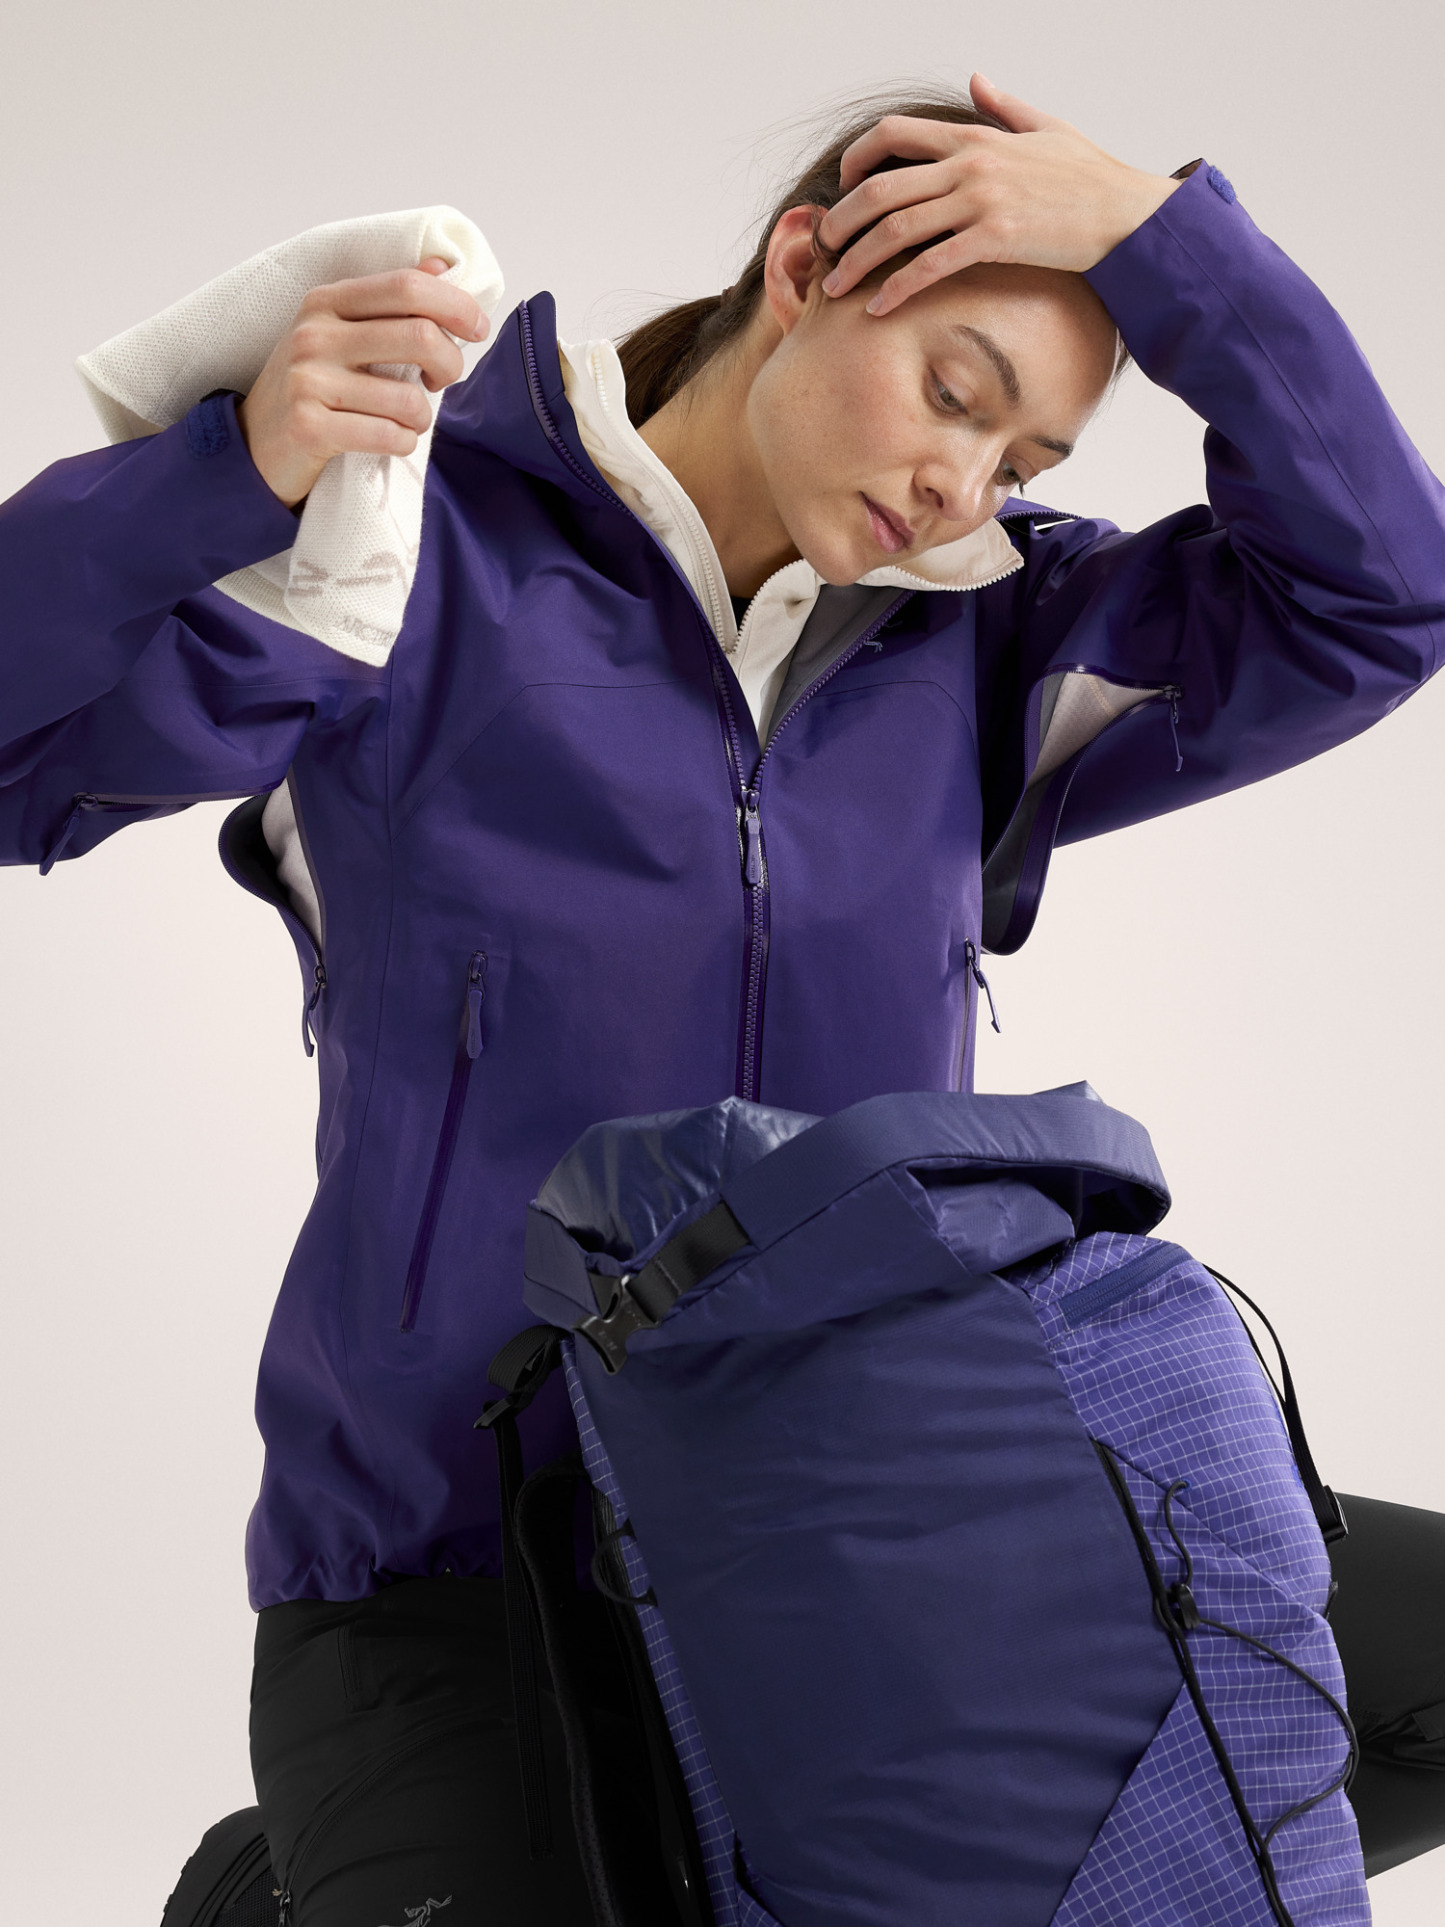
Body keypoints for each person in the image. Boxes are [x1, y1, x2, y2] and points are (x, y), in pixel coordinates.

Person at [4, 70, 1443, 1927]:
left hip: (874, 1514)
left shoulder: (999, 641)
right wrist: (221, 474)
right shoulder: (405, 565)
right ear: (805, 265)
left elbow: (1379, 597)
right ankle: (278, 1893)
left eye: (1018, 464)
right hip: (459, 1557)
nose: (962, 487)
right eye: (954, 394)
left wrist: (1167, 250)